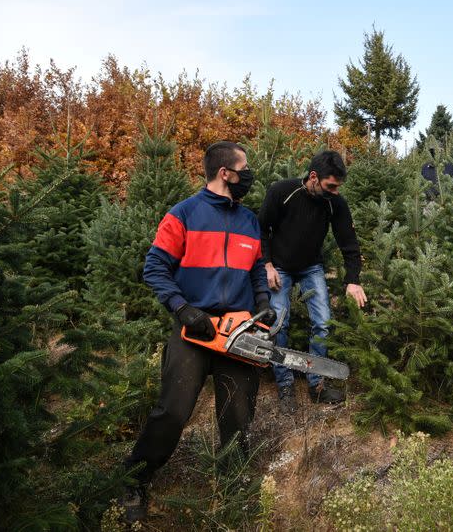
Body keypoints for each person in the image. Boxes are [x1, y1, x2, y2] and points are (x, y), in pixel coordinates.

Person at [120, 141, 275, 522]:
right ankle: (135, 478)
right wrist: (183, 308)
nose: (248, 176)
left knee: (238, 412)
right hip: (194, 328)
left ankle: (232, 481)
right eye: (245, 169)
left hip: (238, 329)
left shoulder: (248, 220)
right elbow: (155, 268)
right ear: (226, 173)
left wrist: (262, 302)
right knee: (172, 412)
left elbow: (256, 266)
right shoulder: (183, 215)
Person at [258, 150, 367, 413]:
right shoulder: (282, 191)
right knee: (278, 324)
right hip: (279, 267)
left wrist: (352, 281)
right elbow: (261, 228)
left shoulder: (335, 202)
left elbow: (348, 244)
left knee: (323, 323)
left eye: (338, 187)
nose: (335, 192)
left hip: (311, 267)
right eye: (330, 186)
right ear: (314, 177)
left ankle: (316, 383)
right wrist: (267, 263)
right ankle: (284, 384)